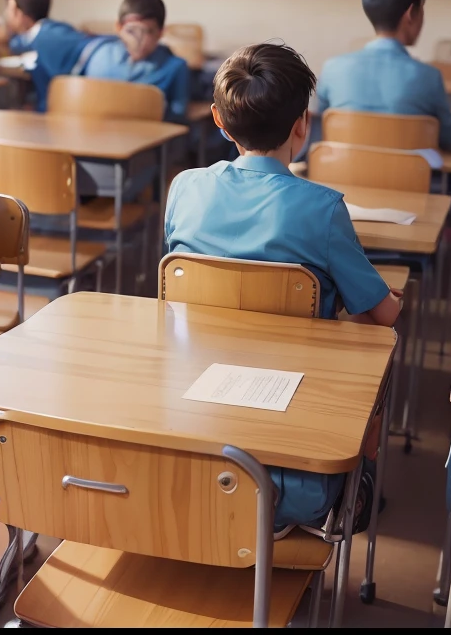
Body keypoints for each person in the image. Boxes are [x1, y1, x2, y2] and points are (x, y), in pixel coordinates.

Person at [165, 40, 401, 530]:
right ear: (303, 124)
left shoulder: (184, 187)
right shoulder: (323, 207)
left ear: (217, 119)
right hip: (290, 455)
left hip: (191, 424)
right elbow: (381, 316)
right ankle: (357, 498)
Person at [314, 0, 451, 151]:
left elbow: (317, 133)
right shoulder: (428, 77)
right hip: (406, 180)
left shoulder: (332, 69)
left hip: (338, 178)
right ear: (411, 14)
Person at [0, 0, 97, 111]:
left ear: (14, 8)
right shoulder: (40, 34)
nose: (5, 13)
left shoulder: (48, 35)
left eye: (8, 8)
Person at [83, 0, 191, 122]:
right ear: (118, 28)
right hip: (95, 132)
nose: (139, 40)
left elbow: (177, 117)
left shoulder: (175, 67)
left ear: (161, 33)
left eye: (149, 32)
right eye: (131, 31)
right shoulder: (97, 54)